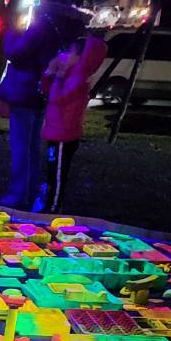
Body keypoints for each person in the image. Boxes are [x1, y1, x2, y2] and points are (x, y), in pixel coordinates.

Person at [0, 0, 86, 208]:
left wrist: (11, 33)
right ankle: (31, 190)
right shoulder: (73, 23)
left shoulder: (44, 20)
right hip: (48, 88)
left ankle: (18, 194)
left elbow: (19, 52)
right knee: (33, 145)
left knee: (21, 145)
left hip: (26, 88)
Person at [36, 35, 106, 211]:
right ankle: (48, 202)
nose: (64, 55)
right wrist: (50, 72)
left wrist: (58, 77)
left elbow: (58, 98)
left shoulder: (78, 78)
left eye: (70, 52)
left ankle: (53, 207)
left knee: (57, 173)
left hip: (64, 134)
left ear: (80, 58)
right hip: (55, 130)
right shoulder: (70, 74)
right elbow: (45, 90)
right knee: (52, 169)